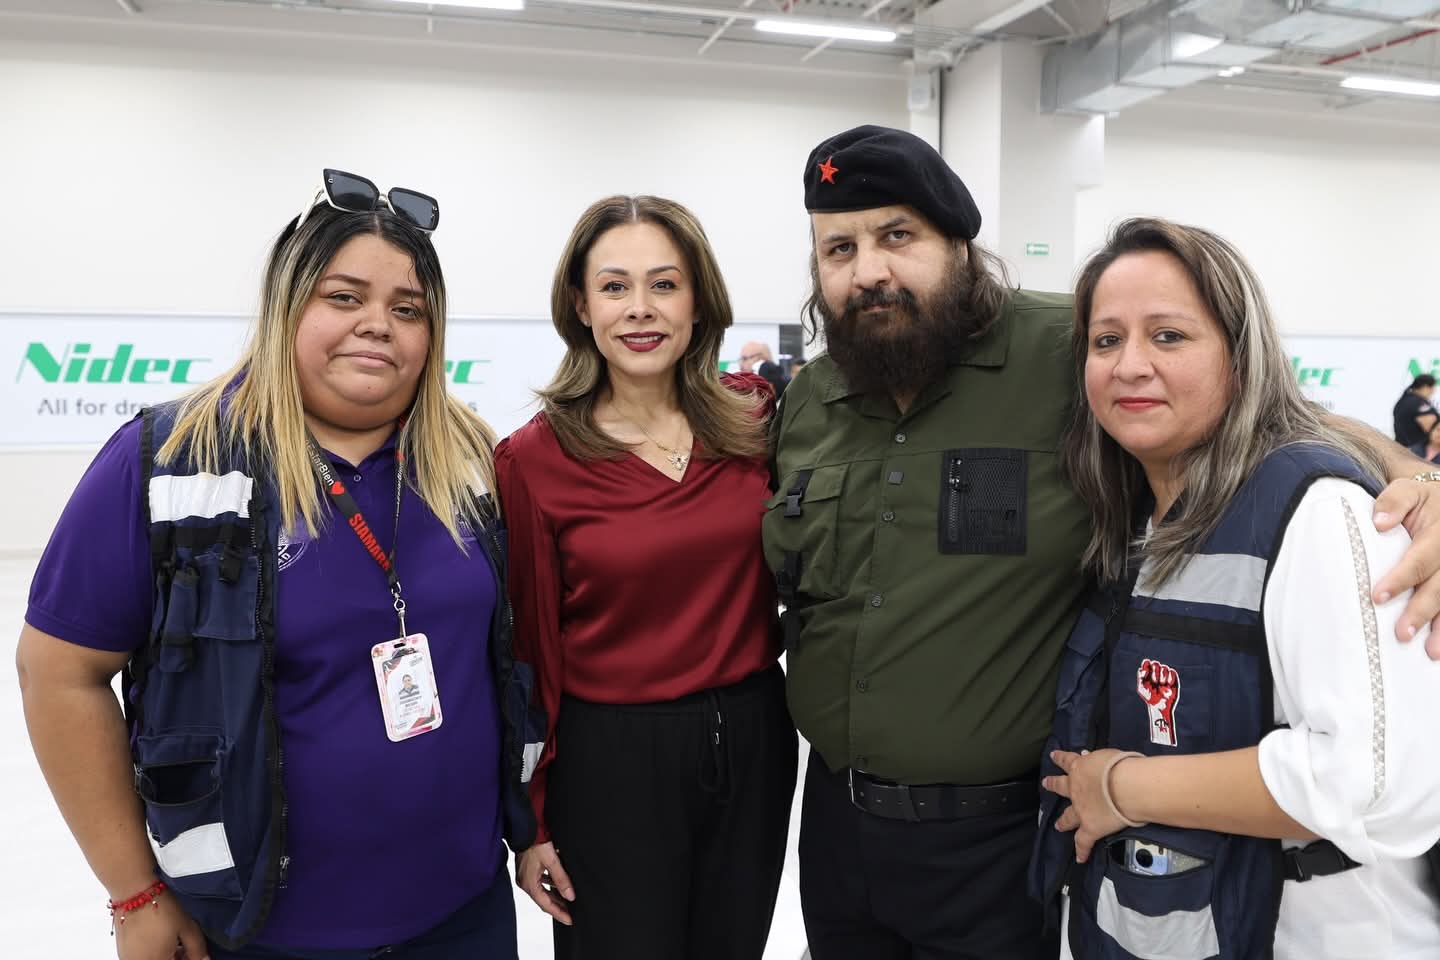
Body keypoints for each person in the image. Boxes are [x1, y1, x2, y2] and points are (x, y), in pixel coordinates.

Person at [763, 124, 1440, 960]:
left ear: (959, 248)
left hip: (997, 835)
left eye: (897, 236)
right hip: (836, 826)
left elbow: (1278, 413)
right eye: (839, 249)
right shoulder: (812, 399)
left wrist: (1425, 484)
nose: (869, 269)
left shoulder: (1073, 346)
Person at [16, 169, 537, 959]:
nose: (377, 325)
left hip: (464, 915)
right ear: (286, 305)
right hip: (257, 930)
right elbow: (59, 674)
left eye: (408, 309)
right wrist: (136, 895)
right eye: (344, 297)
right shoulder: (172, 459)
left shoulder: (469, 460)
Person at [1034, 217, 1440, 958]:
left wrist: (1120, 788)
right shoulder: (1135, 516)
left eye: (1169, 336)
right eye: (1106, 340)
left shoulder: (1320, 510)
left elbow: (1372, 783)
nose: (1130, 365)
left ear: (1241, 356)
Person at [497, 195, 797, 959]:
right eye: (614, 286)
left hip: (753, 740)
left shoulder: (755, 422)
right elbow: (530, 654)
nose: (641, 308)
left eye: (664, 284)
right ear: (581, 306)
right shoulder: (535, 459)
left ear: (698, 302)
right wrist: (531, 821)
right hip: (612, 759)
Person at [1393, 374, 1437, 448]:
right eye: (1432, 389)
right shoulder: (1419, 403)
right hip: (1417, 452)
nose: (1433, 392)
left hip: (1401, 448)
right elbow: (1434, 428)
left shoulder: (1402, 401)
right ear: (1425, 387)